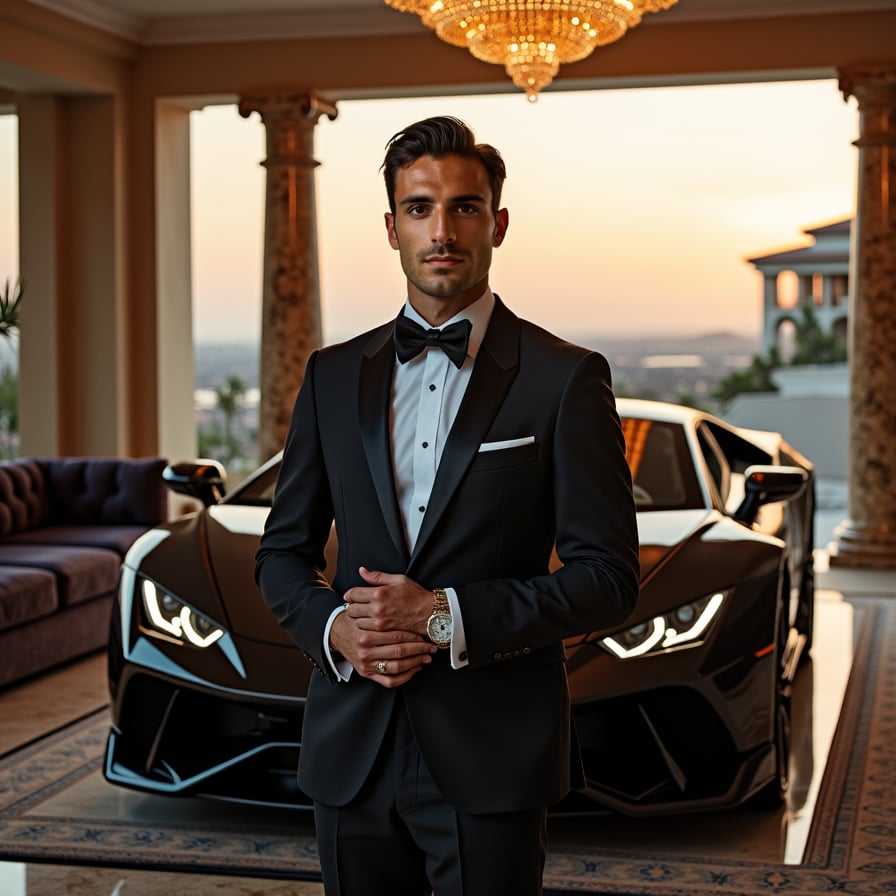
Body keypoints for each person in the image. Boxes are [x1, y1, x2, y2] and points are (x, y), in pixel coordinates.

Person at [255, 115, 640, 896]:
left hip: (492, 749)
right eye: (421, 208)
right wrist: (337, 630)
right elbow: (282, 553)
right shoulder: (331, 376)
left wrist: (441, 616)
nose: (442, 229)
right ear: (392, 227)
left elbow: (607, 578)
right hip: (351, 744)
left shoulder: (564, 379)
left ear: (496, 223)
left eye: (464, 207)